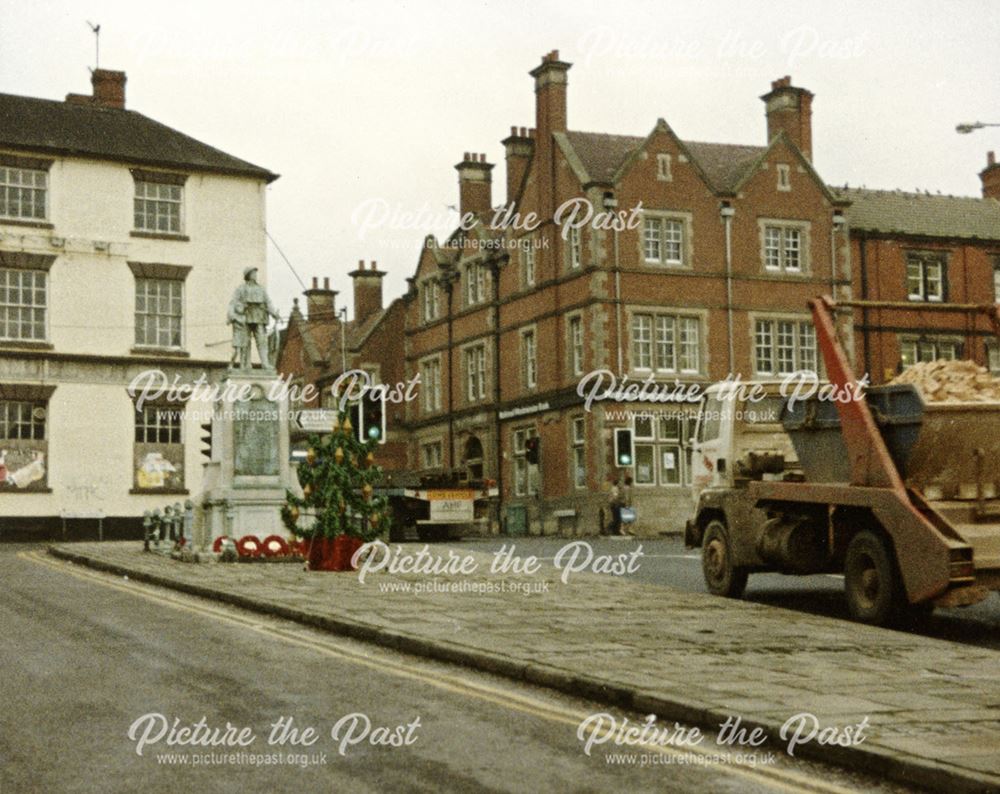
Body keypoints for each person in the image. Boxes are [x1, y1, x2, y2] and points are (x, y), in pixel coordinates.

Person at [228, 267, 280, 370]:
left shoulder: (261, 289)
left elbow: (268, 302)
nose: (255, 275)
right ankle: (247, 364)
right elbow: (233, 302)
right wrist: (233, 315)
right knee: (246, 341)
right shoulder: (241, 289)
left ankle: (265, 363)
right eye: (253, 273)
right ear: (248, 275)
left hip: (259, 316)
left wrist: (274, 313)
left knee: (262, 340)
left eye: (255, 273)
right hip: (246, 317)